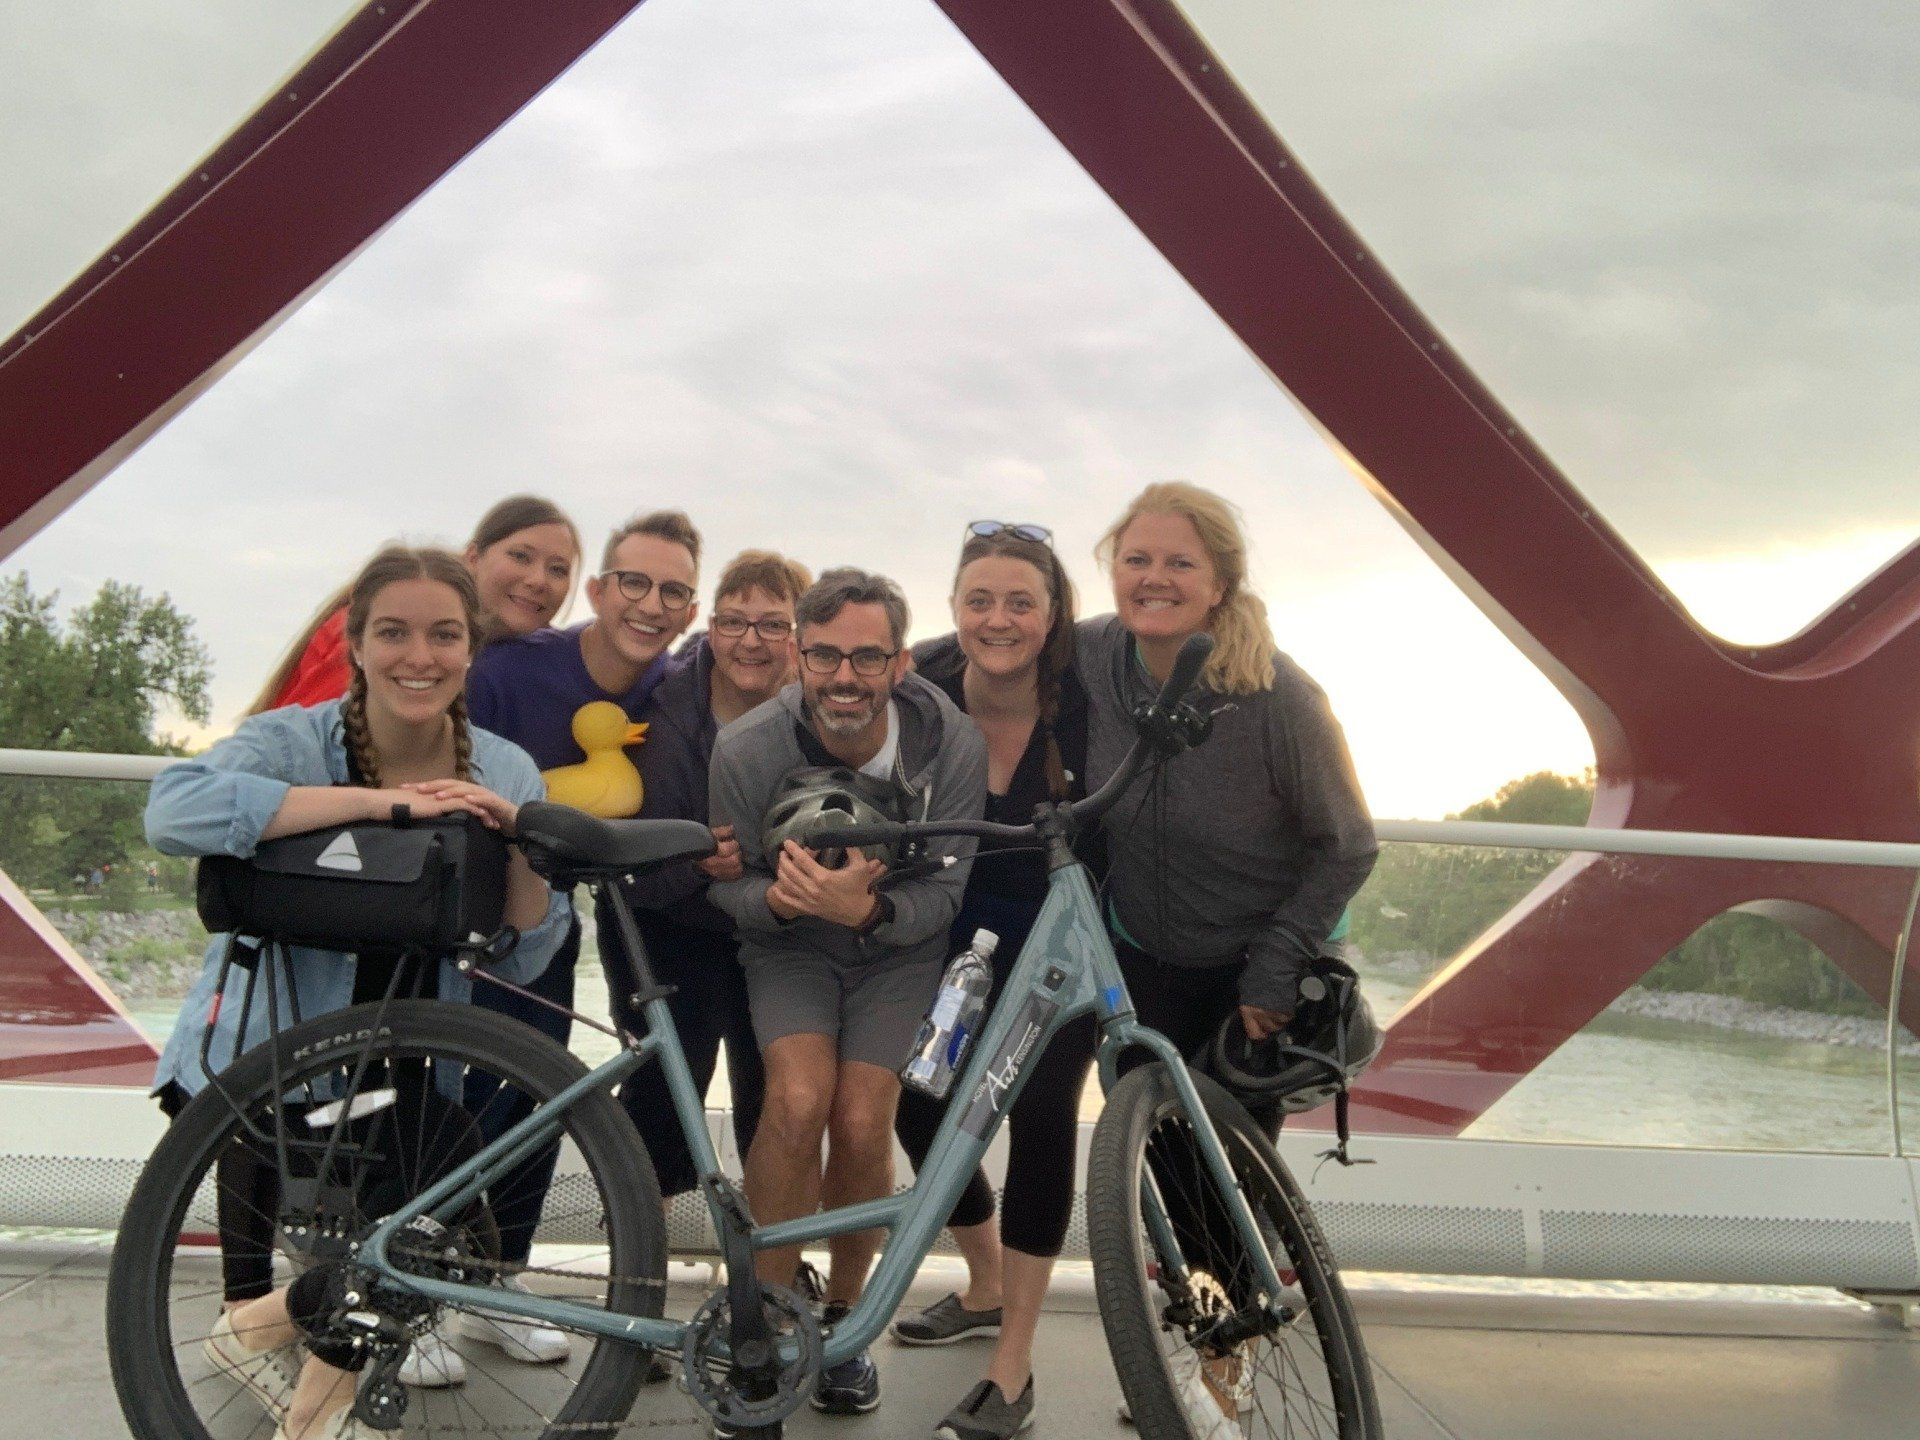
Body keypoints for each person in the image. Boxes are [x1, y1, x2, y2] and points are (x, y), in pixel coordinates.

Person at [145, 545, 572, 1440]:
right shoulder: (294, 739)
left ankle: (267, 1344)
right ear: (356, 642)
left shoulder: (504, 769)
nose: (419, 656)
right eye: (394, 633)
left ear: (471, 649)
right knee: (409, 1191)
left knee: (436, 1189)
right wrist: (380, 808)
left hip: (404, 1068)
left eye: (444, 635)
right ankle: (309, 1404)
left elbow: (527, 958)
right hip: (265, 1061)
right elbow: (172, 812)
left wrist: (515, 842)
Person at [1083, 481, 1377, 1432]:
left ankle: (1223, 1372)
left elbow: (1349, 842)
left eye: (1178, 563)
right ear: (1112, 569)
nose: (1153, 577)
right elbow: (976, 653)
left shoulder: (1277, 695)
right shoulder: (1095, 658)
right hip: (1143, 953)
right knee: (1162, 1172)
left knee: (1228, 1185)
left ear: (1219, 584)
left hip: (1254, 972)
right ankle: (1204, 1342)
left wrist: (1276, 968)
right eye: (1137, 559)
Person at [707, 568, 987, 1435]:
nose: (843, 678)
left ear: (902, 662)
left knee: (866, 1119)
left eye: (868, 657)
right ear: (797, 653)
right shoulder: (746, 749)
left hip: (898, 953)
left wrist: (867, 909)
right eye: (823, 654)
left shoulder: (954, 745)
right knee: (795, 1099)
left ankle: (846, 1323)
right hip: (789, 948)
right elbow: (728, 889)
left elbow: (946, 898)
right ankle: (767, 1322)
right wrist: (783, 903)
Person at [442, 509, 702, 1384]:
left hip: (553, 923)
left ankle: (498, 1288)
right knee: (444, 1092)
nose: (651, 603)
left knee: (537, 1095)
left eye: (673, 591)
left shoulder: (668, 689)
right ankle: (425, 1292)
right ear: (598, 591)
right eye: (634, 581)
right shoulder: (512, 671)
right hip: (464, 914)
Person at [887, 521, 1093, 1440]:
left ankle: (1013, 1363)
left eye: (1021, 602)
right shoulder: (921, 686)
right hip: (956, 933)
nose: (998, 619)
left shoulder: (1090, 700)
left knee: (1044, 1116)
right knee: (918, 1104)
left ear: (1053, 616)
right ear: (955, 607)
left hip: (1063, 939)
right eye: (981, 600)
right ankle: (982, 1281)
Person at [602, 551, 811, 1216]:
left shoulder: (820, 709)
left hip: (772, 923)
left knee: (776, 1096)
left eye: (773, 625)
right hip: (667, 918)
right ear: (710, 626)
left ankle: (774, 1263)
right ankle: (640, 1259)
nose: (751, 641)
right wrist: (694, 859)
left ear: (801, 636)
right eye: (735, 622)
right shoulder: (661, 711)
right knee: (664, 1087)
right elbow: (629, 865)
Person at [248, 495, 582, 713]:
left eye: (557, 569)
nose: (539, 580)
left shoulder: (529, 656)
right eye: (521, 556)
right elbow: (307, 751)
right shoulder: (380, 628)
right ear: (474, 557)